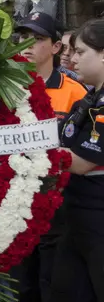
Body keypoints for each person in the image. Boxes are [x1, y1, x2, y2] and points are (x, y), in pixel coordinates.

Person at [12, 13, 87, 301]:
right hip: (15, 200)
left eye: (38, 38)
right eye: (22, 38)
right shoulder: (7, 87)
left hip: (57, 204)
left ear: (56, 47)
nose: (27, 45)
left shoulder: (74, 92)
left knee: (53, 283)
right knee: (20, 284)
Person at [52, 18, 104, 300]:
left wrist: (30, 152)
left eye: (81, 52)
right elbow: (62, 138)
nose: (72, 59)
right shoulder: (88, 99)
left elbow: (83, 161)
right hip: (76, 216)